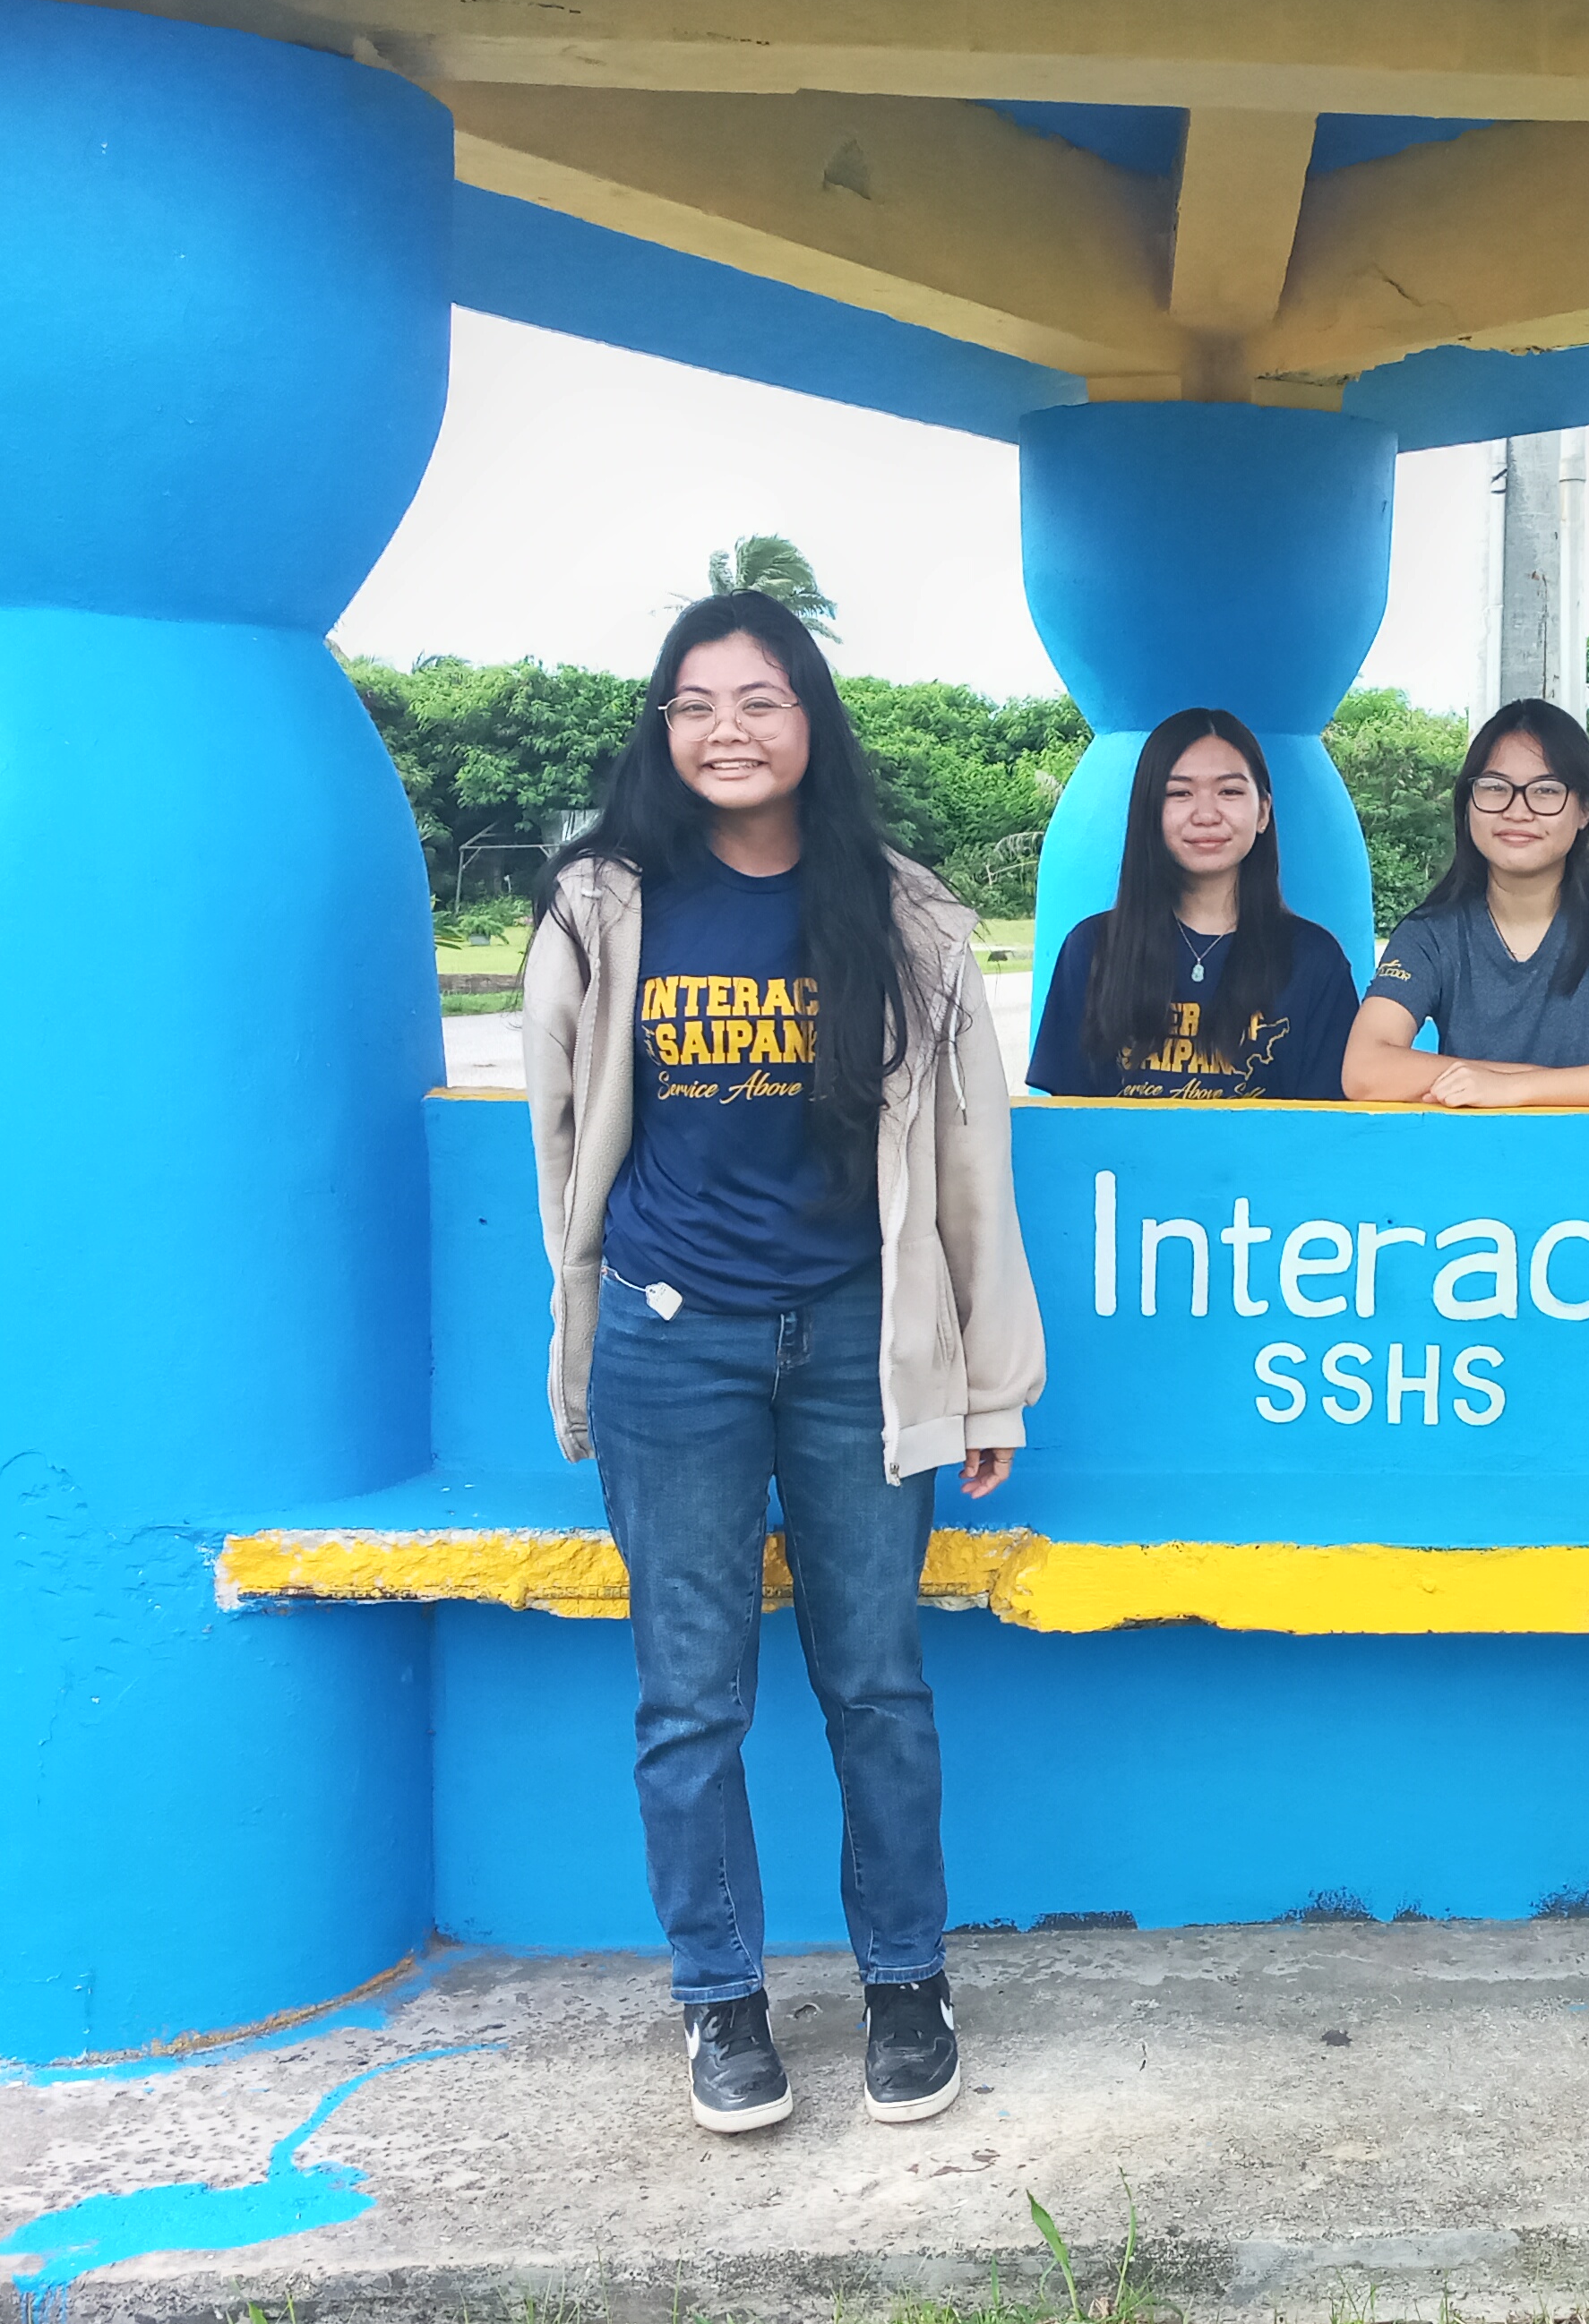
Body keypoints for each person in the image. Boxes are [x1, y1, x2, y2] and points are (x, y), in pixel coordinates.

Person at [524, 590, 1045, 2138]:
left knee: (874, 1682)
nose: (726, 730)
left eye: (758, 699)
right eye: (694, 704)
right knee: (689, 1697)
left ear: (810, 719)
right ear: (661, 729)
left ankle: (904, 1981)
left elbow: (968, 1161)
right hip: (670, 1349)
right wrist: (586, 1322)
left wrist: (988, 1379)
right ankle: (721, 2004)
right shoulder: (601, 907)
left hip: (857, 1352)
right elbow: (560, 1140)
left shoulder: (902, 914)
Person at [1342, 697, 1589, 1108]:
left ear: (1585, 808)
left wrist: (1513, 1088)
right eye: (1495, 788)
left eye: (1546, 791)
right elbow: (1364, 1070)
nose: (1517, 810)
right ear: (1468, 803)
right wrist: (1512, 1080)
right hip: (1476, 1164)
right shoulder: (1432, 931)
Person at [1027, 707, 1359, 1101]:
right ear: (1149, 813)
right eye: (1179, 793)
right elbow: (1069, 1120)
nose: (1206, 815)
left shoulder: (1314, 959)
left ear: (1263, 812)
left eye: (1230, 791)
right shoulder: (1092, 947)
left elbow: (1326, 1130)